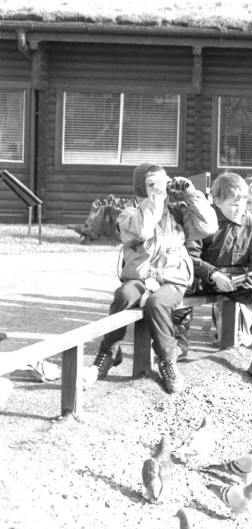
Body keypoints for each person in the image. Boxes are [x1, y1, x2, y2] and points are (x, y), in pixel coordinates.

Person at [86, 164, 217, 394]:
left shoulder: (178, 212)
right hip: (140, 278)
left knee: (157, 304)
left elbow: (209, 226)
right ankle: (109, 349)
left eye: (163, 182)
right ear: (140, 189)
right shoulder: (127, 215)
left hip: (172, 279)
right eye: (152, 185)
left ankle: (167, 360)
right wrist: (156, 197)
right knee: (123, 295)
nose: (160, 189)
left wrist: (191, 194)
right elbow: (142, 230)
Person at [188, 172, 252, 384]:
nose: (241, 209)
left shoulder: (251, 223)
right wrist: (214, 274)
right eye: (234, 204)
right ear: (217, 202)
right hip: (204, 279)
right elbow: (190, 256)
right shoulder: (203, 219)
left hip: (237, 281)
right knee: (177, 285)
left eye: (244, 202)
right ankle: (176, 342)